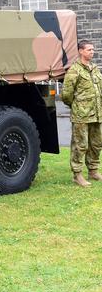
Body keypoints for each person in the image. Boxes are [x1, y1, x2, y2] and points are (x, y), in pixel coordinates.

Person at [61, 40, 102, 187]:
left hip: (97, 113)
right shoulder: (74, 70)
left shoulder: (94, 68)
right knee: (80, 145)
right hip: (81, 115)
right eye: (89, 50)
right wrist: (78, 106)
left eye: (93, 50)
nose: (92, 52)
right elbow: (66, 94)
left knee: (96, 144)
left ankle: (93, 170)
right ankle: (77, 175)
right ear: (81, 51)